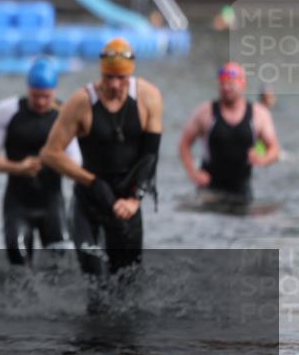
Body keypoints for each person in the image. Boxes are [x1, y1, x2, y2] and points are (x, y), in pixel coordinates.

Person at [41, 38, 163, 277]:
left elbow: (150, 155)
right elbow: (50, 153)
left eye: (121, 78)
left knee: (127, 283)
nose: (115, 84)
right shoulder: (81, 102)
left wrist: (135, 199)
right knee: (95, 279)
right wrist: (92, 182)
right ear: (101, 73)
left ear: (132, 73)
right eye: (109, 77)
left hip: (127, 203)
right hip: (89, 203)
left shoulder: (149, 97)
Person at [0, 57, 80, 266]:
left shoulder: (64, 115)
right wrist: (17, 168)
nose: (41, 102)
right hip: (18, 204)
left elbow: (76, 163)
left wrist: (53, 160)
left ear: (54, 91)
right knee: (18, 261)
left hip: (52, 204)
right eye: (36, 96)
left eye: (46, 96)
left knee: (62, 264)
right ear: (28, 88)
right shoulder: (7, 111)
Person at [179, 62, 279, 210]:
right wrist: (193, 173)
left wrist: (262, 159)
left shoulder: (259, 115)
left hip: (242, 188)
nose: (226, 88)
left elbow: (274, 149)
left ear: (243, 84)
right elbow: (184, 144)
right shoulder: (206, 112)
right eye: (222, 84)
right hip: (209, 189)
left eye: (231, 84)